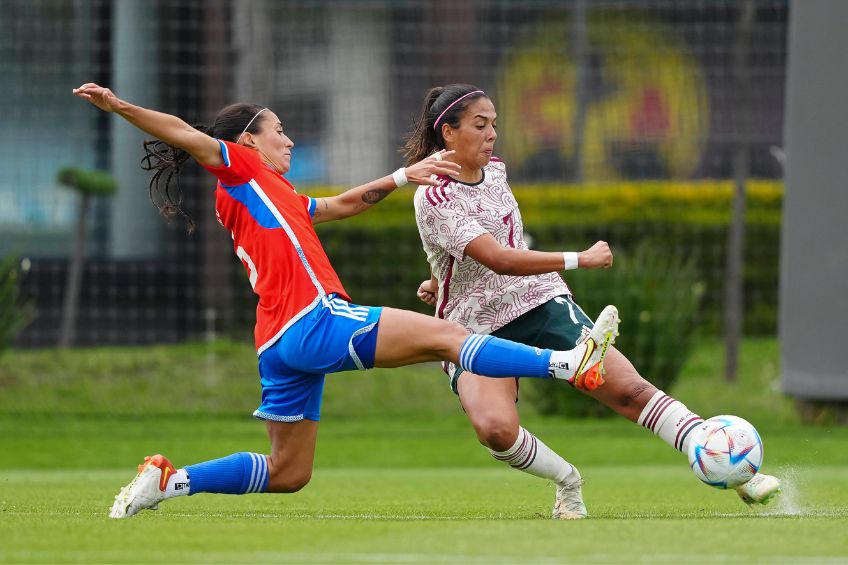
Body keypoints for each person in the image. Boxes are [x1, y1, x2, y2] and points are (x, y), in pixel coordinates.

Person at [72, 83, 621, 519]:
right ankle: (569, 362)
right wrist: (119, 106)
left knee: (288, 473)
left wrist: (405, 175)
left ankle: (172, 480)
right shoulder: (238, 168)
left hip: (275, 344)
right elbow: (183, 134)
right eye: (279, 131)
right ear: (247, 141)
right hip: (314, 319)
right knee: (451, 338)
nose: (288, 141)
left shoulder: (272, 191)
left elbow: (338, 206)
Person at [404, 84, 781, 519]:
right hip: (473, 326)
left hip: (538, 299)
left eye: (495, 125)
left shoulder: (498, 171)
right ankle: (567, 482)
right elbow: (498, 257)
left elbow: (485, 240)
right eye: (480, 125)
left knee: (627, 390)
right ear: (448, 133)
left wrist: (437, 277)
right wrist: (580, 258)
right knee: (494, 429)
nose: (492, 134)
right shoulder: (432, 194)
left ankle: (726, 460)